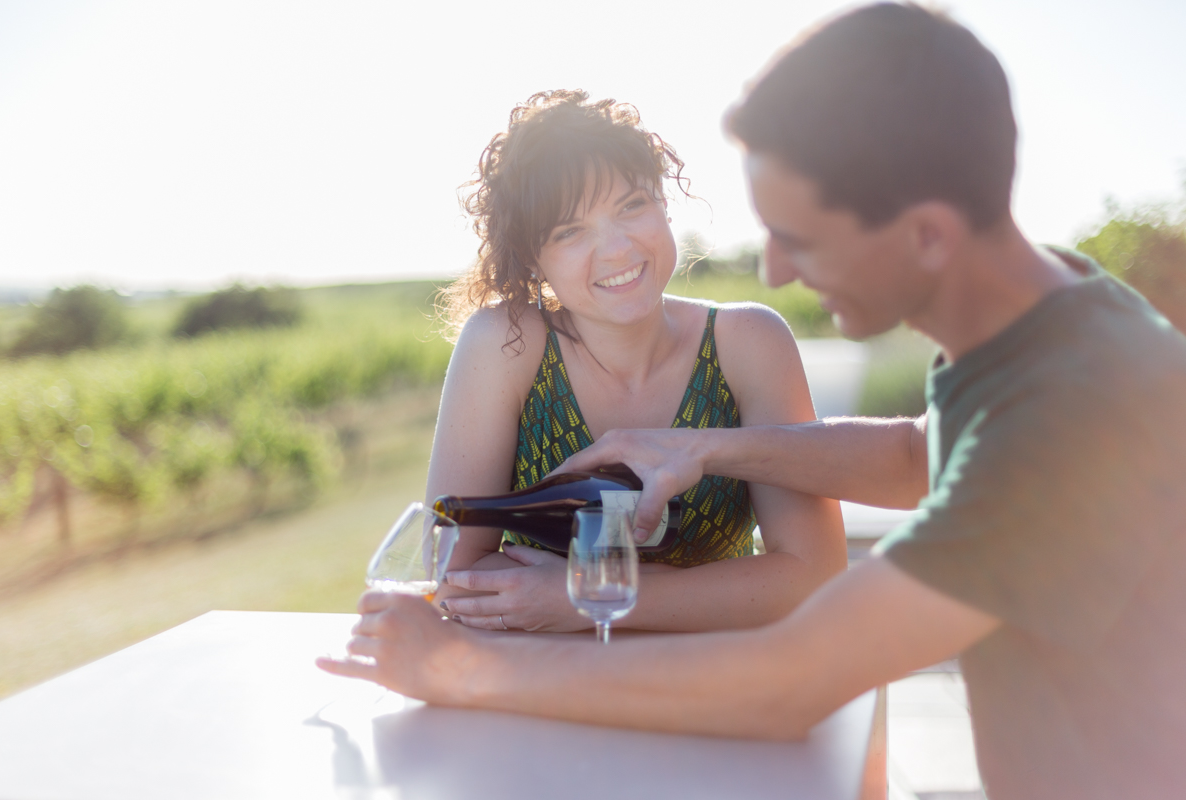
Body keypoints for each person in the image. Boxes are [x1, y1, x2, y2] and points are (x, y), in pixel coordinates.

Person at [319, 5, 1186, 798]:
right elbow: (919, 456)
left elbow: (790, 682)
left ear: (927, 234)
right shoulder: (1060, 325)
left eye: (797, 236)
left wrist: (467, 670)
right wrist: (708, 449)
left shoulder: (1079, 418)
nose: (771, 270)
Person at [417, 90, 846, 632]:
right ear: (532, 258)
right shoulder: (507, 343)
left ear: (664, 204)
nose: (617, 248)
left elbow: (816, 576)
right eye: (570, 231)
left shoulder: (748, 342)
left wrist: (589, 595)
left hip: (723, 681)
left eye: (631, 205)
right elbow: (450, 572)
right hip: (544, 685)